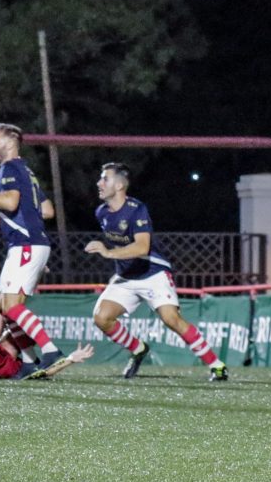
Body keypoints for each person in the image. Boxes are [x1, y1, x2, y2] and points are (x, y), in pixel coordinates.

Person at [85, 162, 229, 381]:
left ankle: (217, 366)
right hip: (126, 276)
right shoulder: (101, 213)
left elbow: (142, 247)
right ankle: (138, 348)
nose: (99, 182)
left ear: (121, 184)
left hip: (153, 273)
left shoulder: (136, 210)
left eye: (105, 178)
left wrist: (108, 253)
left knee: (172, 319)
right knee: (101, 318)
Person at [0, 123, 66, 373]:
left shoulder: (9, 168)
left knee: (11, 307)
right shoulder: (26, 171)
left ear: (9, 143)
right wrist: (9, 223)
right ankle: (30, 362)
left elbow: (10, 202)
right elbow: (47, 209)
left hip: (26, 246)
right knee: (10, 310)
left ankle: (51, 350)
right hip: (30, 244)